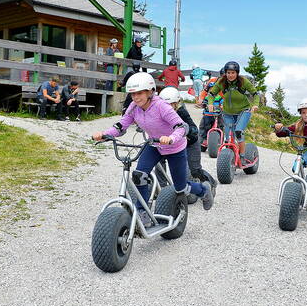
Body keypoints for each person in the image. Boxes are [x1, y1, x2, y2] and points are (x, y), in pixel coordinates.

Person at [92, 73, 215, 227]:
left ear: (150, 91)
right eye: (133, 94)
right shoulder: (134, 107)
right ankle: (142, 212)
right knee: (139, 175)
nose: (136, 97)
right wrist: (104, 134)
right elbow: (121, 126)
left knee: (180, 187)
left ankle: (203, 190)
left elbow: (181, 126)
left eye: (140, 93)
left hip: (174, 147)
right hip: (154, 145)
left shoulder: (161, 106)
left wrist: (171, 138)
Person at [159, 87, 218, 190]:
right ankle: (162, 188)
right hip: (172, 144)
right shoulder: (159, 113)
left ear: (176, 103)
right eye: (165, 105)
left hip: (190, 143)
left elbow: (194, 129)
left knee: (195, 170)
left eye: (170, 105)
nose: (167, 108)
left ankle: (211, 183)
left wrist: (185, 131)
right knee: (159, 162)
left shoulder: (181, 112)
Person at [205, 61, 259, 163]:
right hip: (227, 113)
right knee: (228, 136)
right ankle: (230, 157)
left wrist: (256, 104)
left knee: (238, 132)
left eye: (233, 73)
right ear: (225, 73)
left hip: (244, 111)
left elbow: (255, 93)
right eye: (228, 73)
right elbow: (211, 94)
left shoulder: (243, 81)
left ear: (237, 73)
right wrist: (210, 103)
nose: (230, 75)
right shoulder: (221, 82)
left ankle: (242, 157)